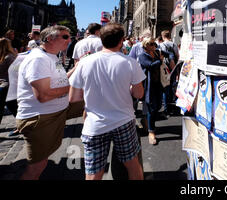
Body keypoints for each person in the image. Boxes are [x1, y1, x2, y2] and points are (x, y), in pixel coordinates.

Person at [69, 23, 145, 180]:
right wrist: (127, 88)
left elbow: (73, 98)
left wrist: (92, 93)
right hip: (124, 121)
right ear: (121, 41)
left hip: (95, 124)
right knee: (132, 164)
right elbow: (139, 93)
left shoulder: (84, 62)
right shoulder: (130, 62)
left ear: (101, 39)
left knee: (93, 173)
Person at [15, 25, 84, 180]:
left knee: (91, 100)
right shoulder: (38, 59)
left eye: (70, 36)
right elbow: (43, 95)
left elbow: (61, 78)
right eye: (65, 37)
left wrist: (76, 68)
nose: (70, 40)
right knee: (37, 166)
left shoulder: (52, 56)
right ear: (49, 39)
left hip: (56, 111)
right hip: (41, 118)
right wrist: (72, 88)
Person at [138, 38, 164, 145]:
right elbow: (150, 65)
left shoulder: (157, 52)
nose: (154, 45)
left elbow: (169, 54)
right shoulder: (142, 56)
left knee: (157, 106)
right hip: (149, 85)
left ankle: (147, 122)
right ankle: (151, 132)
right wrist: (160, 61)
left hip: (159, 83)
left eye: (154, 43)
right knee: (151, 108)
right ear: (145, 46)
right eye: (151, 44)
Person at [159, 30, 180, 116]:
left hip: (164, 68)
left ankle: (166, 107)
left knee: (165, 86)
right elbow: (178, 56)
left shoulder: (160, 45)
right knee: (172, 85)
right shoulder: (173, 44)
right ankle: (172, 104)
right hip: (173, 67)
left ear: (163, 36)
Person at [0, 38, 17, 125]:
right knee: (12, 106)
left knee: (12, 106)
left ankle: (22, 125)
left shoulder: (9, 57)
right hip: (3, 84)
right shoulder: (2, 56)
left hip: (6, 85)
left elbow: (16, 71)